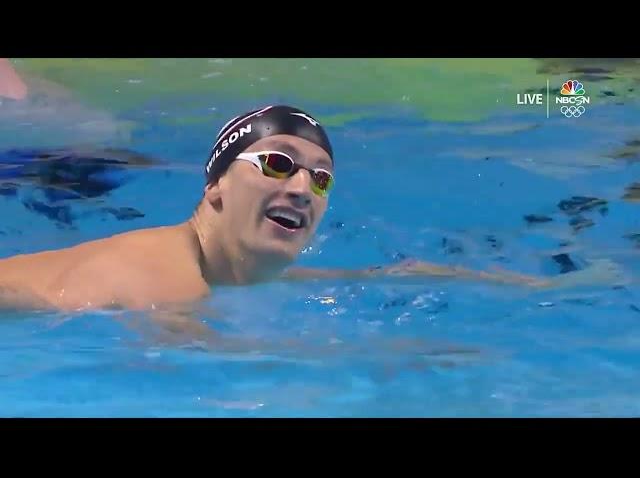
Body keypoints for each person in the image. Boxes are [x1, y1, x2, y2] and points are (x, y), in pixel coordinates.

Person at [0, 104, 624, 313]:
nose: (303, 187)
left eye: (320, 179)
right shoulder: (166, 275)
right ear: (213, 189)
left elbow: (368, 277)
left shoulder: (217, 271)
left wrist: (517, 285)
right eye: (276, 164)